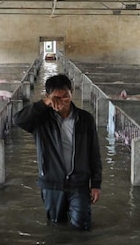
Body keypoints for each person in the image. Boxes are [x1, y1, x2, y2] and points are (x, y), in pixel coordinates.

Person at [14, 73, 102, 230]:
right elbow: (18, 120)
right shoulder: (40, 120)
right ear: (48, 97)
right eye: (56, 98)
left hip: (79, 183)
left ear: (72, 93)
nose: (62, 101)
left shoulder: (85, 119)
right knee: (56, 226)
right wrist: (43, 104)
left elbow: (94, 152)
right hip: (51, 183)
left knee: (82, 225)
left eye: (66, 96)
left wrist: (96, 184)